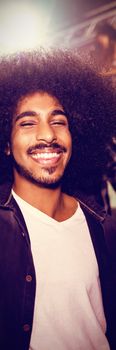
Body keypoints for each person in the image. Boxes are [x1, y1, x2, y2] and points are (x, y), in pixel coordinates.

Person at [0, 50, 115, 350]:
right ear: (7, 145)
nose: (47, 135)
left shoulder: (103, 227)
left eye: (59, 121)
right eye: (27, 123)